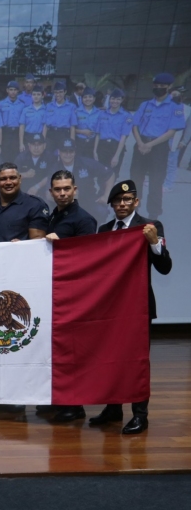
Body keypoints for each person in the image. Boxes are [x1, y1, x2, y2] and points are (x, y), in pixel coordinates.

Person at [91, 180, 172, 434]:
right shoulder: (104, 229)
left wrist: (154, 243)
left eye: (127, 200)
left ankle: (140, 415)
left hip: (138, 307)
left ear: (136, 202)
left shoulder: (150, 226)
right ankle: (113, 408)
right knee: (110, 357)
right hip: (110, 307)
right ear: (112, 205)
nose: (122, 204)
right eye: (117, 201)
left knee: (137, 361)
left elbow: (165, 268)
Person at [39, 169, 99, 423]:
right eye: (58, 189)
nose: (62, 193)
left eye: (66, 188)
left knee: (73, 352)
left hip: (75, 295)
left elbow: (87, 259)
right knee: (58, 349)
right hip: (56, 292)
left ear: (75, 190)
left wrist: (62, 245)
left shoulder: (84, 220)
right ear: (51, 192)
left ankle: (75, 406)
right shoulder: (54, 215)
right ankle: (60, 399)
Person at [130, 73, 186, 219]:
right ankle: (133, 210)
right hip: (141, 144)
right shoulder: (145, 105)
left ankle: (153, 215)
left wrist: (150, 144)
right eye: (156, 86)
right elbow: (135, 125)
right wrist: (140, 143)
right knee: (135, 180)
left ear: (169, 87)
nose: (158, 88)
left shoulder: (175, 107)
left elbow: (172, 131)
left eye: (162, 86)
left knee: (156, 182)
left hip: (159, 148)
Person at [37, 139, 113, 224]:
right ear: (59, 152)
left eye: (71, 151)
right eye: (64, 151)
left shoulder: (86, 163)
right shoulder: (54, 169)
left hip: (88, 201)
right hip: (65, 206)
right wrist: (68, 197)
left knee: (102, 211)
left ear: (75, 152)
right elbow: (48, 195)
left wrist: (106, 195)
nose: (68, 154)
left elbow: (109, 174)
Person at [0, 163, 50, 243]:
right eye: (3, 179)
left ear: (20, 179)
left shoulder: (35, 205)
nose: (8, 182)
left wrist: (23, 245)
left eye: (12, 178)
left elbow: (38, 242)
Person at [95, 88, 133, 175]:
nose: (115, 101)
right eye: (113, 98)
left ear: (122, 100)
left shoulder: (126, 116)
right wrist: (95, 151)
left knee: (113, 175)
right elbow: (98, 134)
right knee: (101, 175)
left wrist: (117, 156)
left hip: (116, 147)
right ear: (109, 99)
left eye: (118, 99)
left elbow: (123, 137)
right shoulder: (102, 114)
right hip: (102, 147)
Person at [44, 81, 77, 151]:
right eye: (56, 92)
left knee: (64, 155)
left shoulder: (71, 107)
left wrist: (72, 143)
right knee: (48, 154)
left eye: (60, 92)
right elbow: (45, 125)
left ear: (65, 92)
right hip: (50, 135)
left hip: (64, 134)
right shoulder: (49, 106)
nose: (58, 94)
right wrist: (43, 140)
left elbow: (72, 127)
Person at [0, 81, 26, 162]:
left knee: (17, 155)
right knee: (5, 155)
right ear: (7, 90)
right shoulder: (1, 103)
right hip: (6, 132)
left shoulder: (22, 104)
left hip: (17, 133)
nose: (13, 92)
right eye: (11, 89)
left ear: (18, 91)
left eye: (15, 90)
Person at [74, 87, 102, 159]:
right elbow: (71, 129)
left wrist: (95, 151)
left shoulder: (99, 113)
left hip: (92, 143)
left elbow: (98, 133)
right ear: (82, 99)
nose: (87, 99)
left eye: (90, 97)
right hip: (79, 143)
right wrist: (82, 132)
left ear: (94, 99)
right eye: (85, 97)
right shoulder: (76, 112)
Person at [19, 88, 47, 153]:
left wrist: (43, 142)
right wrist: (21, 143)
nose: (36, 96)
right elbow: (22, 127)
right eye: (34, 94)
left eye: (38, 94)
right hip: (27, 137)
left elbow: (45, 127)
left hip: (40, 137)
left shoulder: (45, 110)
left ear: (42, 96)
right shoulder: (25, 110)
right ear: (31, 96)